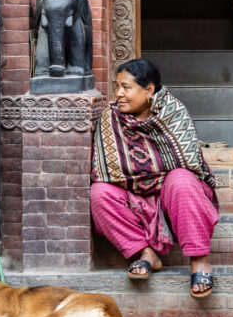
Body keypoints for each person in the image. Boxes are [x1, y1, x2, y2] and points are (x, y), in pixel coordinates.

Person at [89, 58, 219, 299]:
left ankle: (199, 260)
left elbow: (188, 162)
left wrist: (150, 175)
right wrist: (149, 175)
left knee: (181, 178)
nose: (119, 94)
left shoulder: (173, 112)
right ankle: (145, 253)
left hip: (174, 197)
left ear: (149, 89)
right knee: (99, 192)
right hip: (134, 196)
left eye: (126, 87)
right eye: (117, 86)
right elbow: (106, 170)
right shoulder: (111, 116)